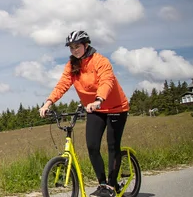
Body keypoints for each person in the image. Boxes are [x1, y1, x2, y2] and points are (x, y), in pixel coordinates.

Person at [38, 30, 130, 197]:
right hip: (94, 109)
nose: (74, 50)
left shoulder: (100, 61)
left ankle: (112, 184)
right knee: (92, 146)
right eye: (71, 47)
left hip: (115, 107)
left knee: (112, 146)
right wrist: (48, 102)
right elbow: (63, 85)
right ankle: (102, 184)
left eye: (77, 46)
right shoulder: (72, 65)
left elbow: (107, 81)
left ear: (86, 45)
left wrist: (98, 99)